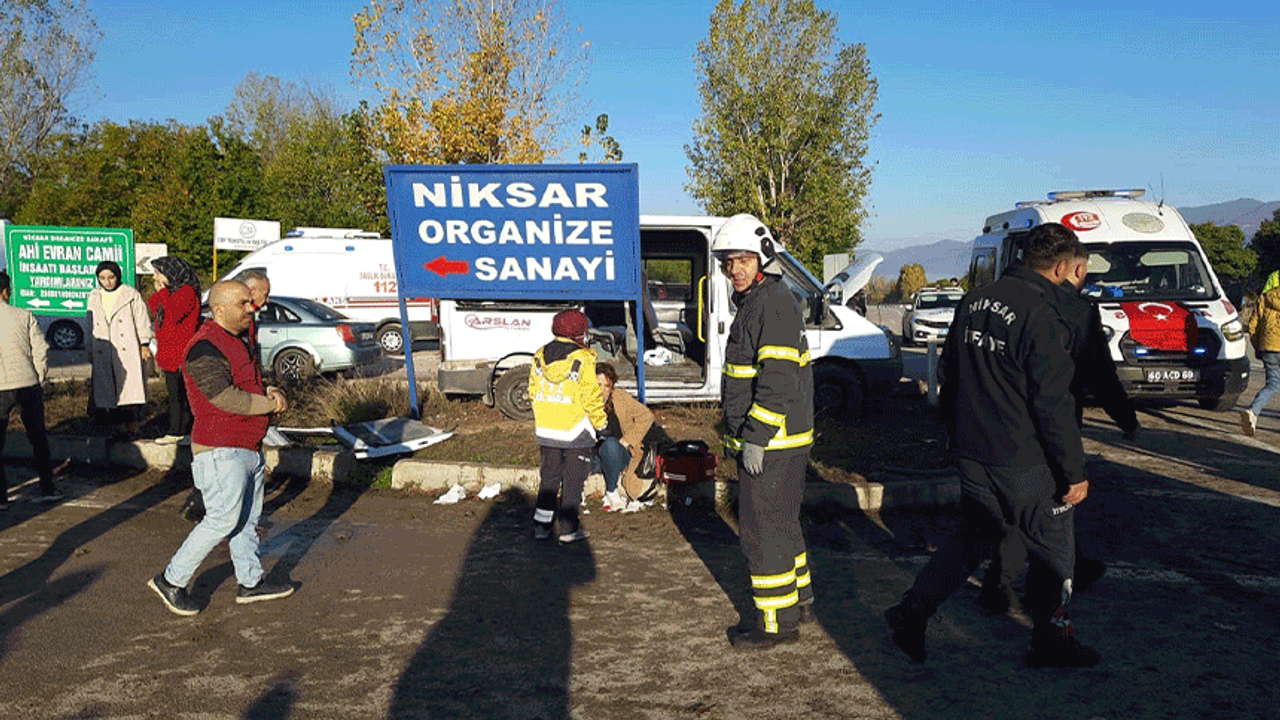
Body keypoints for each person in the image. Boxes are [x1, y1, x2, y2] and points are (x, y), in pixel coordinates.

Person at [885, 222, 1101, 668]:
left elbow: (948, 373)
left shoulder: (975, 299)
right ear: (1062, 267)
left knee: (974, 537)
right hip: (1025, 458)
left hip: (973, 451)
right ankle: (1052, 638)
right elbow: (1053, 402)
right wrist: (1074, 471)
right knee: (1054, 550)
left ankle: (913, 610)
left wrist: (955, 433)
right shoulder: (1043, 313)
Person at [976, 244, 1138, 614]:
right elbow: (1099, 375)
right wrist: (1126, 419)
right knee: (1050, 511)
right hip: (1049, 429)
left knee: (1025, 509)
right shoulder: (1076, 310)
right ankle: (1034, 599)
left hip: (999, 426)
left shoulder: (1001, 300)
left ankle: (1012, 583)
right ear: (1076, 270)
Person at [148, 281, 294, 616]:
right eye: (242, 303)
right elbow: (222, 397)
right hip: (219, 448)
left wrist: (271, 390)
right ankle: (170, 580)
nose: (251, 308)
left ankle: (251, 582)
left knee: (246, 520)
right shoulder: (204, 346)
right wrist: (268, 404)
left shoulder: (237, 340)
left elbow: (247, 383)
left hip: (247, 444)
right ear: (219, 309)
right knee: (222, 520)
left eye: (250, 301)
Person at [711, 214, 815, 650]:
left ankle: (775, 625)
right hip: (780, 441)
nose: (734, 269)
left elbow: (777, 380)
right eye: (728, 262)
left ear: (764, 259)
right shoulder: (764, 300)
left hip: (771, 443)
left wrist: (755, 437)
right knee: (783, 522)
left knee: (762, 532)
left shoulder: (770, 304)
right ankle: (800, 601)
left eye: (743, 260)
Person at [528, 309, 608, 544]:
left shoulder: (540, 355)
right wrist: (601, 425)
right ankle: (568, 530)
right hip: (576, 431)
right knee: (573, 482)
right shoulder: (583, 358)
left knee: (549, 480)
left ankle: (541, 527)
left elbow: (533, 390)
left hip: (547, 430)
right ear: (579, 332)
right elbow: (591, 396)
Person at [0, 271, 64, 506]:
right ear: (6, 292)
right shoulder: (24, 315)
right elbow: (40, 349)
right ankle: (48, 487)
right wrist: (38, 377)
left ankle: (1, 497)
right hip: (27, 383)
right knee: (38, 439)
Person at [87, 260, 154, 424]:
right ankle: (107, 422)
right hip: (103, 347)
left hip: (126, 346)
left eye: (111, 277)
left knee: (128, 389)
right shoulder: (94, 296)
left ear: (118, 276)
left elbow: (141, 320)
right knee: (105, 388)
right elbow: (90, 323)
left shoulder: (130, 295)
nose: (107, 282)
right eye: (102, 278)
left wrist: (144, 343)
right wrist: (90, 348)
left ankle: (130, 422)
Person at [148, 256, 202, 445]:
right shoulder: (173, 292)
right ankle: (179, 429)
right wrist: (162, 292)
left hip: (181, 352)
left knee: (181, 395)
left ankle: (180, 430)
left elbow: (172, 315)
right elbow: (154, 305)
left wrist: (163, 292)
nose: (155, 277)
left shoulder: (186, 292)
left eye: (158, 273)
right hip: (170, 352)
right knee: (175, 393)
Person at [593, 362, 655, 512]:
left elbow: (646, 415)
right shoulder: (583, 399)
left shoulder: (620, 398)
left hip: (617, 452)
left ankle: (611, 491)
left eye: (606, 386)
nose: (601, 390)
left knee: (610, 445)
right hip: (593, 453)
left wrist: (629, 439)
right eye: (598, 385)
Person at [1241, 270, 1280, 436]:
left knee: (1273, 383)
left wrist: (1258, 347)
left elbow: (1252, 326)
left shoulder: (1263, 299)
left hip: (1268, 347)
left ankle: (1253, 411)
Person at [239, 269, 271, 364]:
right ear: (252, 292)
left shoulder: (250, 316)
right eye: (265, 295)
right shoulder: (237, 318)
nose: (267, 300)